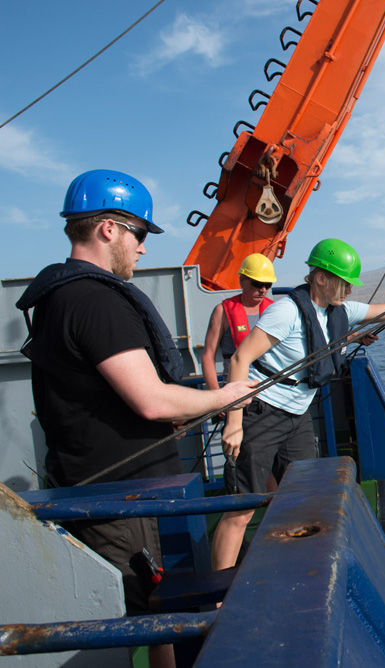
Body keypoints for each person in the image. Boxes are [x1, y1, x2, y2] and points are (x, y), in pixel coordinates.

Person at [16, 169, 256, 668]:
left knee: (155, 616)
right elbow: (151, 400)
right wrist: (227, 396)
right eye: (140, 234)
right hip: (120, 499)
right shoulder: (94, 300)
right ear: (109, 229)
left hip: (107, 488)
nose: (143, 249)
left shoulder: (62, 297)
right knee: (146, 613)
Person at [211, 238, 385, 571]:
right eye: (344, 283)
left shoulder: (339, 312)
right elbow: (239, 360)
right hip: (262, 412)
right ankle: (218, 597)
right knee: (242, 509)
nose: (350, 292)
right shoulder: (286, 312)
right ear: (321, 278)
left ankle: (292, 565)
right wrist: (234, 423)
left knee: (305, 496)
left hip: (297, 415)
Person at [201, 253, 277, 390]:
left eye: (267, 285)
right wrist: (216, 395)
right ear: (242, 280)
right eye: (257, 284)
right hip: (236, 393)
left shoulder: (274, 310)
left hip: (271, 394)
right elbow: (208, 355)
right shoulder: (222, 311)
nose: (263, 290)